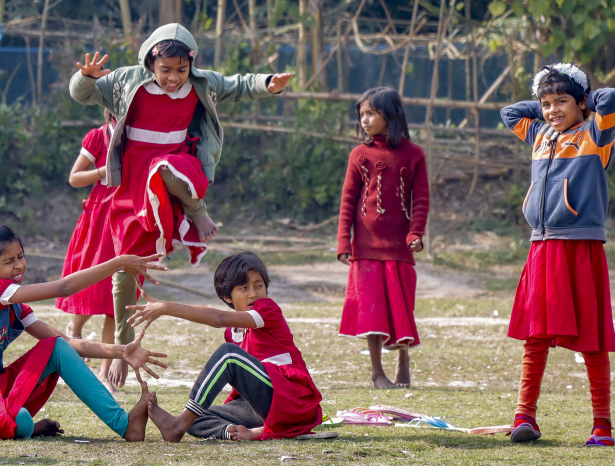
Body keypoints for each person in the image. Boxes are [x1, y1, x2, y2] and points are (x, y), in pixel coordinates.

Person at [69, 23, 292, 388]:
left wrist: (267, 83)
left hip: (178, 167)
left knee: (164, 168)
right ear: (150, 64)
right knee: (125, 267)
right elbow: (82, 94)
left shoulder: (201, 83)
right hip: (133, 183)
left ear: (191, 65)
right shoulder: (127, 80)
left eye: (181, 70)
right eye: (165, 70)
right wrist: (86, 77)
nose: (173, 78)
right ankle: (124, 344)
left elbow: (237, 85)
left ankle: (197, 211)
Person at [0, 219, 168, 440]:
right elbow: (64, 288)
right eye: (9, 261)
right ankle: (4, 424)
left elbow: (66, 344)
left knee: (56, 347)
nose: (19, 265)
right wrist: (118, 263)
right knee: (22, 421)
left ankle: (124, 424)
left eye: (20, 256)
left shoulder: (14, 305)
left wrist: (123, 351)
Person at [500, 63, 615, 447]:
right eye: (546, 104)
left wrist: (585, 101)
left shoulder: (596, 134)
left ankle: (601, 426)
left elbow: (613, 98)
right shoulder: (539, 133)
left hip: (581, 245)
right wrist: (547, 102)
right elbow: (509, 113)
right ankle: (524, 417)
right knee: (535, 336)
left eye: (562, 102)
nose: (553, 110)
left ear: (582, 102)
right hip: (541, 246)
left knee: (592, 338)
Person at [127, 252, 323, 441]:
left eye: (258, 285)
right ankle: (233, 431)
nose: (254, 293)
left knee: (228, 355)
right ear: (228, 297)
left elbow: (218, 318)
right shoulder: (232, 332)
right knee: (198, 416)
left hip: (289, 398)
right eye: (244, 288)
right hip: (259, 407)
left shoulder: (268, 310)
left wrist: (167, 307)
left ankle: (177, 425)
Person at [336, 87, 430, 389]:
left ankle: (403, 362)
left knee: (402, 307)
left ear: (390, 115)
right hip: (365, 246)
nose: (364, 120)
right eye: (361, 114)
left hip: (400, 246)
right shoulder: (358, 155)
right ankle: (377, 373)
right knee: (371, 310)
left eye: (371, 113)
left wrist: (416, 233)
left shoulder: (414, 154)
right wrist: (343, 241)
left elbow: (421, 200)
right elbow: (348, 201)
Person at [55, 109, 127, 393]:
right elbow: (74, 177)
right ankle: (75, 328)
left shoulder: (145, 138)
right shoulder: (99, 136)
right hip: (101, 217)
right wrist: (103, 172)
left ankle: (104, 373)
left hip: (131, 215)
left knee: (117, 298)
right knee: (92, 285)